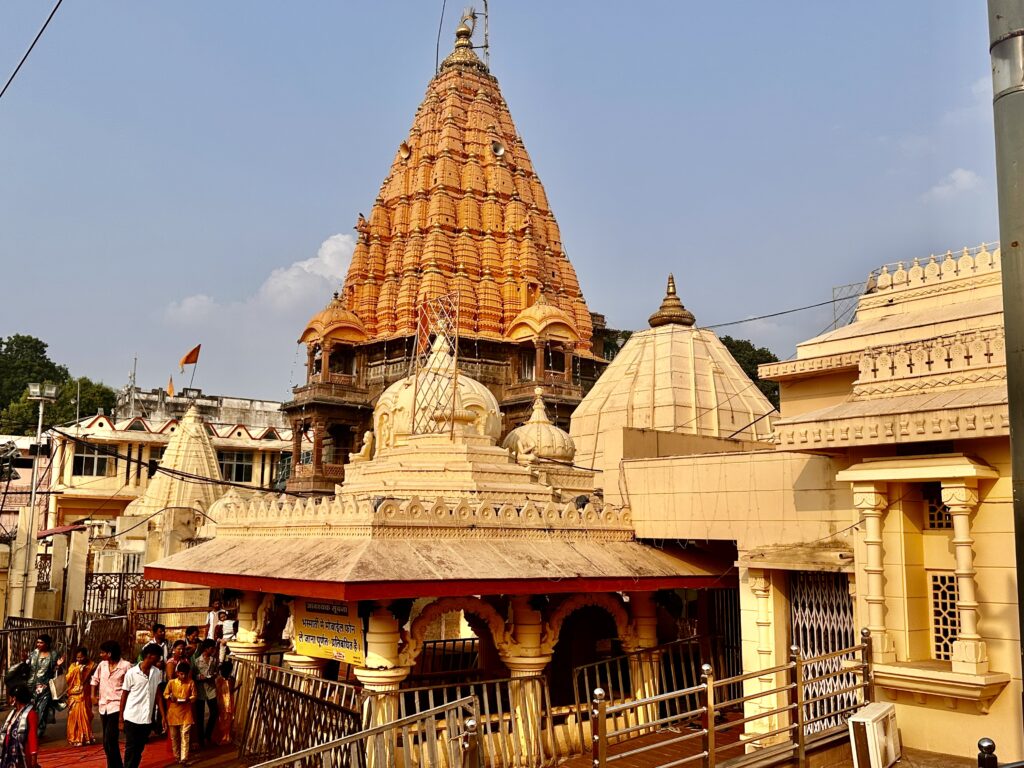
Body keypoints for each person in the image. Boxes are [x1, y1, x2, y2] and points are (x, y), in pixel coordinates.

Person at [120, 643, 163, 768]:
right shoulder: (131, 673)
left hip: (146, 718)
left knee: (139, 749)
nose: (159, 659)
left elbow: (158, 695)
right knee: (131, 748)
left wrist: (163, 717)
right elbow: (124, 695)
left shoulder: (156, 673)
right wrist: (120, 719)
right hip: (132, 717)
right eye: (157, 656)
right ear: (149, 656)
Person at [90, 640, 131, 768]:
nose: (100, 655)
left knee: (110, 739)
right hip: (103, 706)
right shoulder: (102, 665)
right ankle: (115, 765)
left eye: (102, 652)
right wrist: (92, 695)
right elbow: (94, 680)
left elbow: (129, 686)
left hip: (117, 705)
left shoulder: (125, 665)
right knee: (106, 742)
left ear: (109, 653)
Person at [26, 635, 62, 739]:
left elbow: (57, 672)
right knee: (30, 710)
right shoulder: (34, 653)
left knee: (42, 710)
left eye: (41, 643)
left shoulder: (54, 654)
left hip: (45, 687)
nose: (38, 645)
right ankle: (29, 731)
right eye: (37, 642)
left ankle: (38, 733)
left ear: (47, 644)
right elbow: (27, 667)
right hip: (31, 686)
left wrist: (58, 666)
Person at [161, 661, 196, 765]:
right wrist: (170, 697)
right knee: (174, 736)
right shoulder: (171, 682)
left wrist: (188, 699)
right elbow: (165, 694)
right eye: (181, 674)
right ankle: (177, 756)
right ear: (177, 673)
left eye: (185, 674)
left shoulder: (191, 682)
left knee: (185, 735)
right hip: (173, 713)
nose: (183, 676)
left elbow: (194, 696)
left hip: (186, 712)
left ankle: (184, 757)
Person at [0, 685, 38, 768]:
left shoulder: (31, 714)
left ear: (15, 698)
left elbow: (32, 737)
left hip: (22, 756)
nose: (9, 700)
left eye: (10, 697)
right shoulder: (13, 713)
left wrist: (33, 758)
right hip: (8, 755)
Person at [64, 646, 94, 747]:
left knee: (85, 716)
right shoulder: (73, 666)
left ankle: (85, 737)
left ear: (85, 656)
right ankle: (74, 737)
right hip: (74, 694)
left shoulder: (92, 666)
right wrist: (78, 669)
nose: (79, 659)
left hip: (85, 694)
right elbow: (67, 679)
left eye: (81, 657)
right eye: (77, 657)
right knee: (73, 717)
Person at [191, 640, 219, 749]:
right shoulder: (197, 661)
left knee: (214, 712)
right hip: (200, 690)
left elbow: (216, 671)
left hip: (211, 689)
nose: (213, 650)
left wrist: (213, 675)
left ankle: (208, 734)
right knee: (200, 715)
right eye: (212, 648)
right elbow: (193, 675)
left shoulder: (214, 660)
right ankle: (201, 738)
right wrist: (199, 677)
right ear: (206, 649)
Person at [211, 660, 238, 746]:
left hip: (221, 701)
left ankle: (222, 737)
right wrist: (238, 686)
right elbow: (230, 691)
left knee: (221, 719)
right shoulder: (228, 680)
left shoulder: (219, 679)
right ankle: (225, 737)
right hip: (227, 702)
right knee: (227, 719)